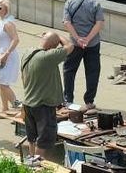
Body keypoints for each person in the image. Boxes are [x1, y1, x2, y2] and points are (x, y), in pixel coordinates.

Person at [21, 31, 74, 161]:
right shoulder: (47, 57)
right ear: (52, 47)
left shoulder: (28, 53)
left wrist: (49, 37)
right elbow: (70, 46)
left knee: (32, 137)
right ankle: (37, 163)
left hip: (28, 102)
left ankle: (31, 160)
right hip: (43, 106)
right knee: (44, 140)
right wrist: (59, 36)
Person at [61, 0, 104, 108]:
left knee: (69, 70)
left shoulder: (69, 3)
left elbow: (66, 22)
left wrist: (78, 39)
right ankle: (89, 101)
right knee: (92, 72)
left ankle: (68, 99)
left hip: (75, 44)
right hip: (93, 44)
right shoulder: (95, 3)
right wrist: (88, 39)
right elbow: (100, 23)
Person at [0, 0, 21, 117]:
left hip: (8, 56)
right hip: (1, 55)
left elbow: (16, 39)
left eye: (0, 8)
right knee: (0, 82)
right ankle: (4, 109)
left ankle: (19, 107)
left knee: (3, 84)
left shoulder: (8, 23)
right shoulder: (1, 21)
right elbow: (2, 36)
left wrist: (6, 53)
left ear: (6, 10)